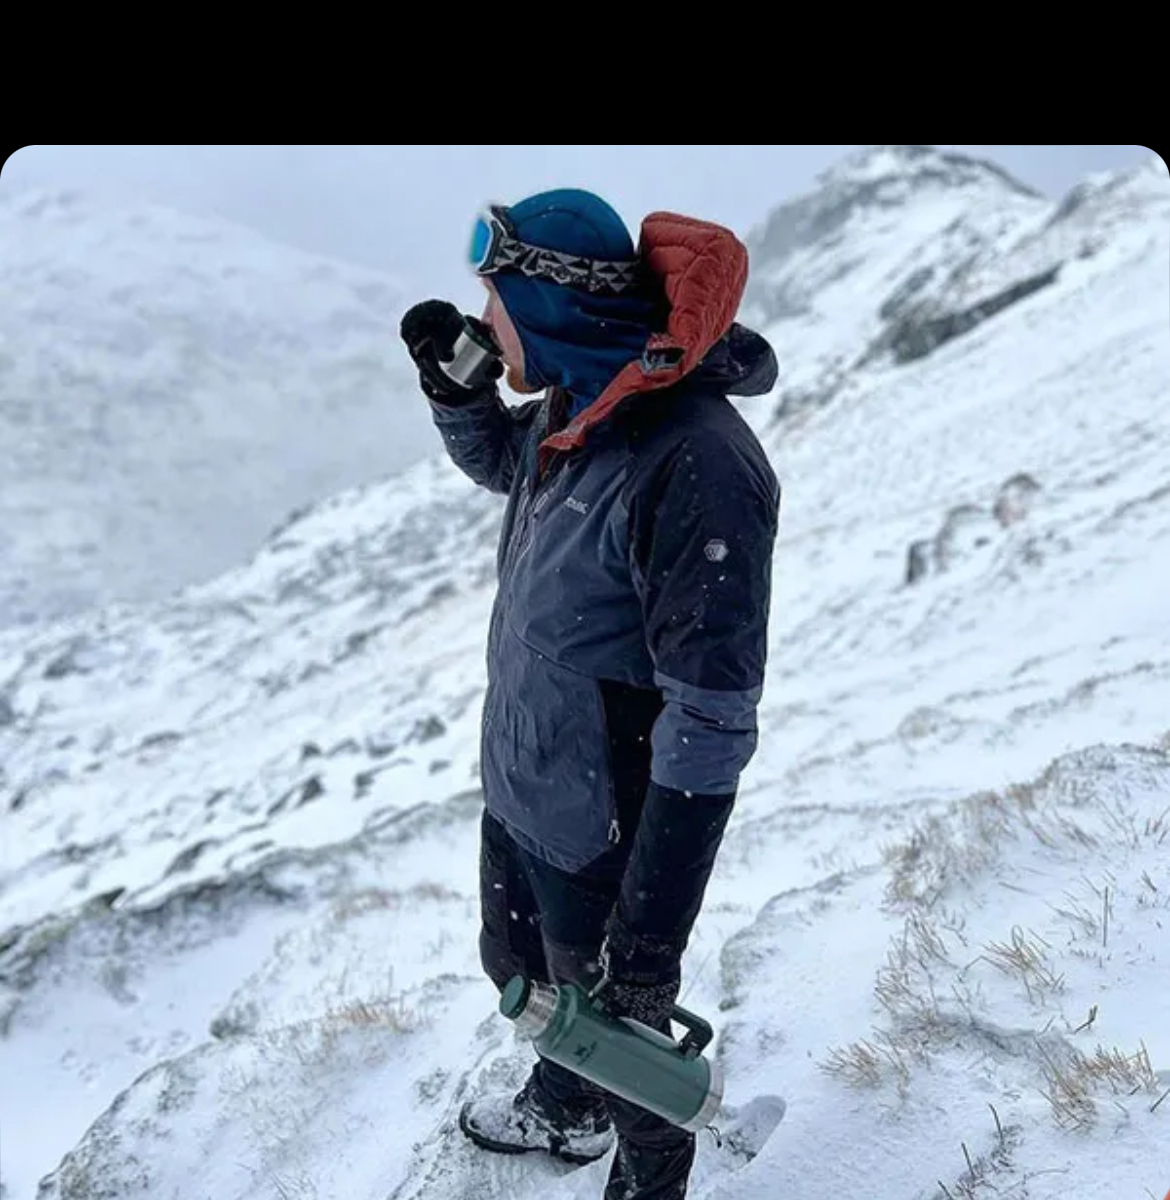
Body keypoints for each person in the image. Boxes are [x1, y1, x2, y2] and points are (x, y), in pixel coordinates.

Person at [399, 189, 781, 1200]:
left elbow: (712, 718)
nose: (484, 322)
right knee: (520, 971)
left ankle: (649, 1180)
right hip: (531, 779)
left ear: (552, 305)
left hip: (606, 824)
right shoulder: (581, 403)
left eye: (497, 301)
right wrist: (457, 395)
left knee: (621, 1040)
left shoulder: (697, 464)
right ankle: (566, 1107)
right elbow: (506, 463)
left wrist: (648, 938)